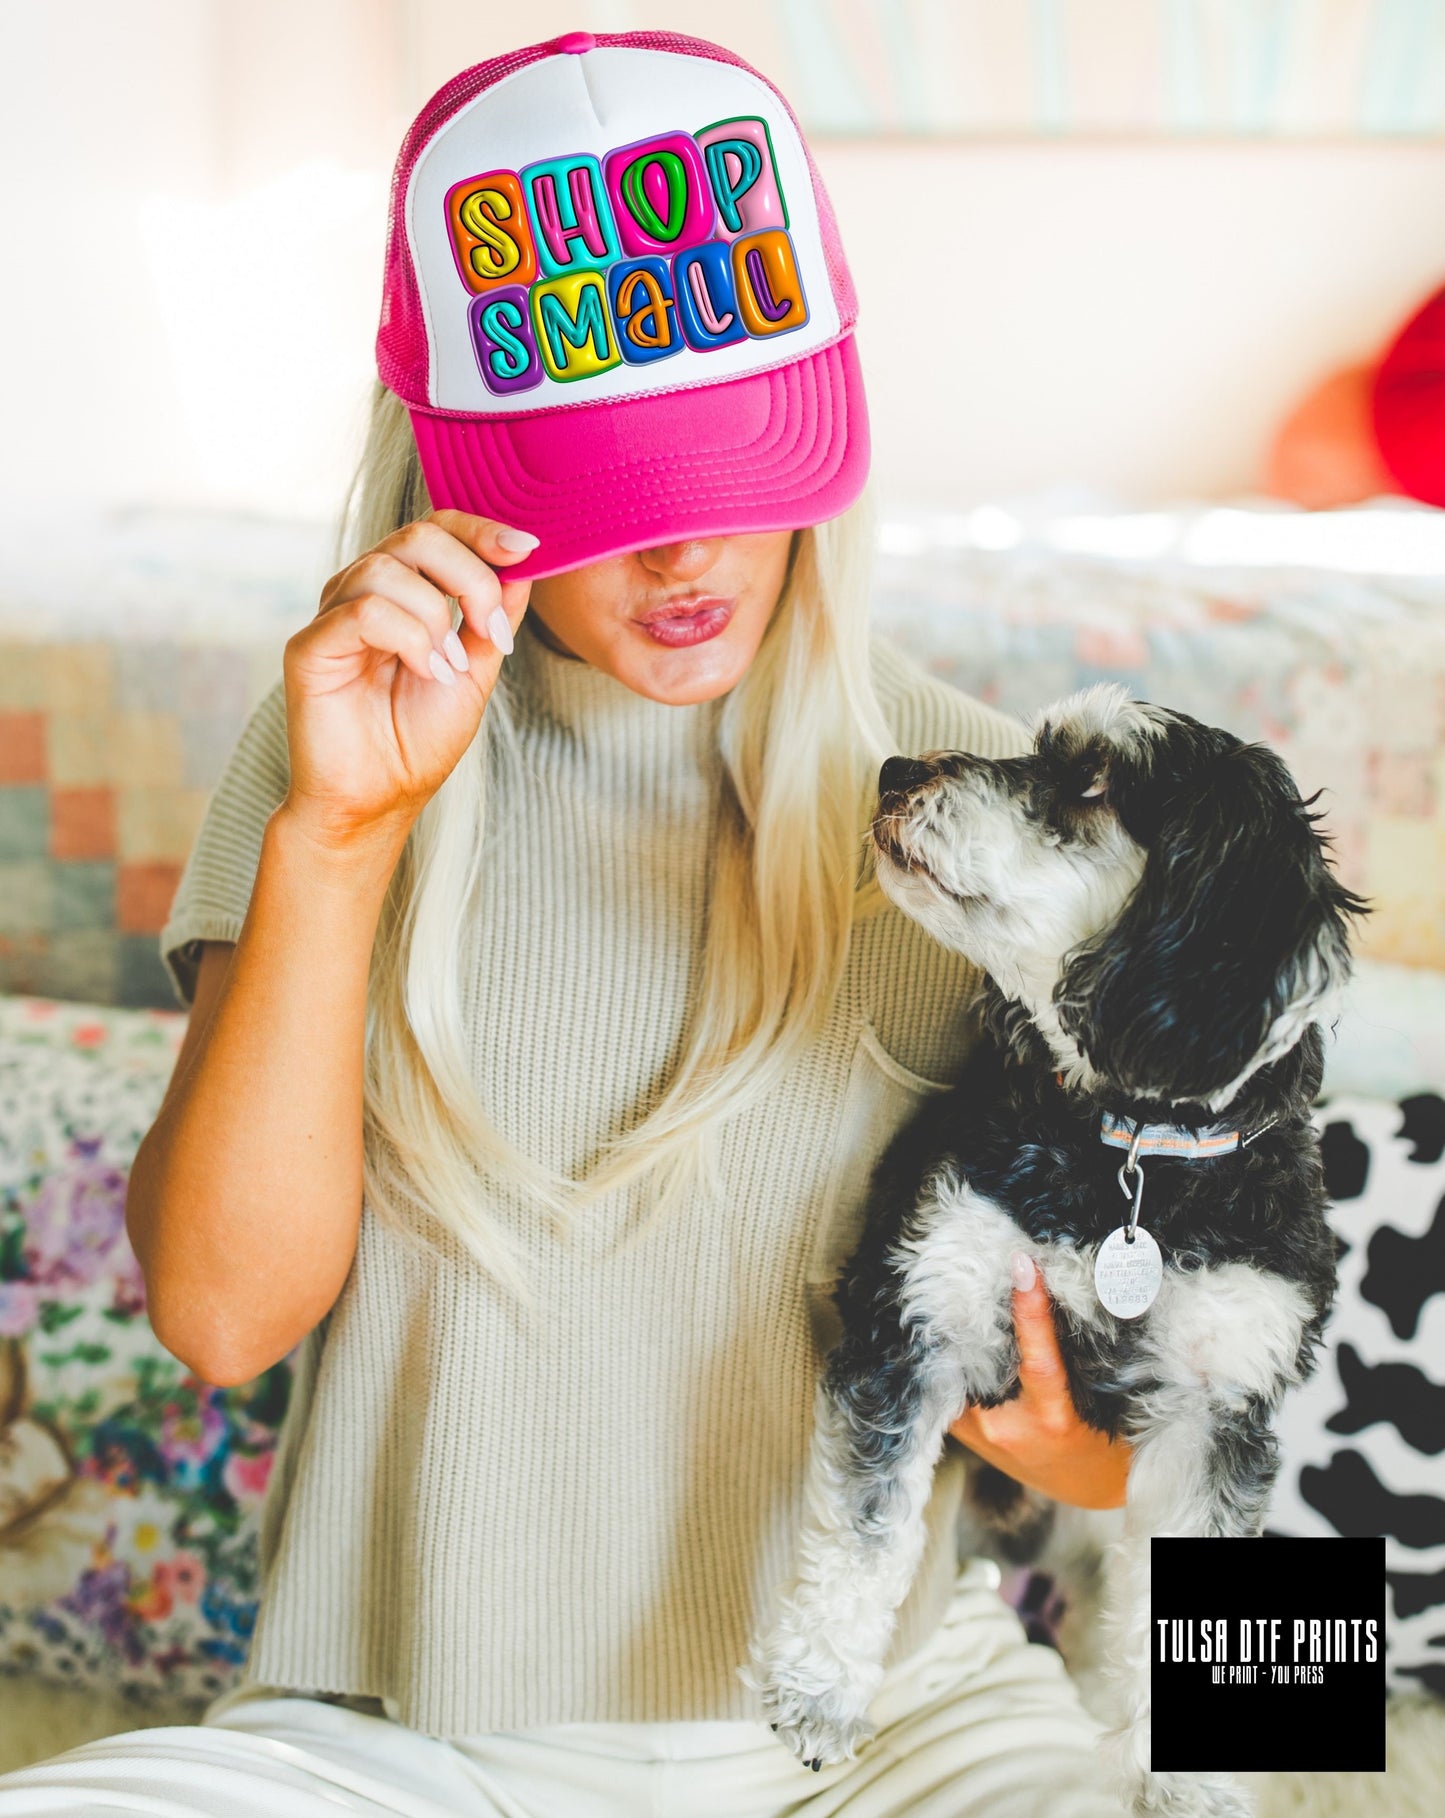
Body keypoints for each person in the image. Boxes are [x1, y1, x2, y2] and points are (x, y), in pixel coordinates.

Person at [0, 30, 1131, 1817]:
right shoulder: (336, 759)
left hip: (896, 1727)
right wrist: (337, 838)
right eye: (603, 492)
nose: (682, 557)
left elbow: (1200, 1411)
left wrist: (1096, 1461)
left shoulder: (1005, 818)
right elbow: (218, 1315)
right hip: (405, 1736)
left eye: (725, 462)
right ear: (448, 473)